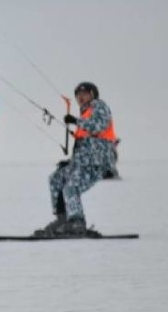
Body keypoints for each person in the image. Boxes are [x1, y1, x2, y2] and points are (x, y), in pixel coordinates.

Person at [34, 82, 116, 237]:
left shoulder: (99, 106)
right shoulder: (86, 113)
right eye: (77, 94)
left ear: (92, 94)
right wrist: (71, 161)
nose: (80, 97)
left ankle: (77, 222)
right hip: (82, 161)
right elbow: (85, 143)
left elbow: (98, 126)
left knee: (71, 187)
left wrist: (75, 121)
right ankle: (63, 219)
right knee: (56, 179)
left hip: (97, 162)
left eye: (83, 93)